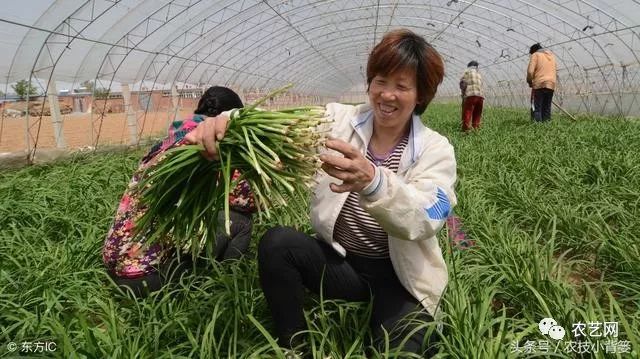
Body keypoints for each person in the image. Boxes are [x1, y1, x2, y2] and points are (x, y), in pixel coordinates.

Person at [185, 29, 457, 357]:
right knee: (278, 243)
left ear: (420, 96)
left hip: (399, 276)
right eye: (380, 81)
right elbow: (272, 122)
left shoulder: (434, 149)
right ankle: (296, 347)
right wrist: (227, 121)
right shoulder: (338, 119)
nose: (387, 95)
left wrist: (373, 181)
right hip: (343, 263)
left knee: (399, 350)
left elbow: (428, 215)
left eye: (402, 86)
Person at [102, 86, 256, 297]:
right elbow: (246, 200)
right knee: (241, 219)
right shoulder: (207, 144)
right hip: (146, 279)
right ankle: (225, 284)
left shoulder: (173, 138)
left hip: (115, 264)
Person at [527, 43, 557, 122]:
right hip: (551, 84)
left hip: (539, 84)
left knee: (537, 108)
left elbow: (530, 72)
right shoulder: (552, 56)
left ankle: (538, 127)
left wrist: (529, 81)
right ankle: (546, 126)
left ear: (533, 51)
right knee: (547, 107)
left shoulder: (535, 55)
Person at [459, 60, 484, 132]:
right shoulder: (479, 74)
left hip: (470, 95)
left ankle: (465, 131)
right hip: (480, 96)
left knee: (467, 112)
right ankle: (476, 129)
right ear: (476, 67)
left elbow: (463, 84)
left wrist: (463, 93)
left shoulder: (466, 72)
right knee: (477, 113)